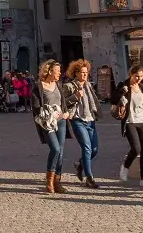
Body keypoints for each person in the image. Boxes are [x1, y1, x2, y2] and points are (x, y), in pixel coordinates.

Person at [113, 63, 143, 187]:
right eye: (136, 76)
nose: (139, 78)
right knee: (136, 148)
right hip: (129, 121)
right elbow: (113, 99)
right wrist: (121, 92)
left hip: (142, 120)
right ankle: (125, 166)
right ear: (131, 75)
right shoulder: (124, 86)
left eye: (141, 76)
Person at [31, 60, 68, 194]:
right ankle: (49, 181)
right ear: (50, 71)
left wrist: (65, 111)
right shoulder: (38, 86)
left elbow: (62, 101)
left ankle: (57, 182)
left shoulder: (58, 84)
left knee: (61, 152)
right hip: (47, 122)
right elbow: (35, 106)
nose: (60, 73)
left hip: (61, 121)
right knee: (56, 149)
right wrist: (49, 111)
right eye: (57, 71)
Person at [62, 60, 100, 189]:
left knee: (94, 150)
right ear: (76, 73)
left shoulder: (89, 86)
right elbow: (64, 103)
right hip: (77, 120)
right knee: (87, 148)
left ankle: (80, 164)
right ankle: (89, 178)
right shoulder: (69, 86)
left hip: (90, 119)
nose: (85, 75)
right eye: (82, 73)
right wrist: (75, 96)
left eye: (86, 72)